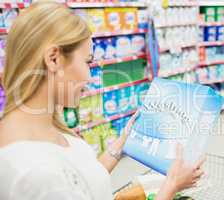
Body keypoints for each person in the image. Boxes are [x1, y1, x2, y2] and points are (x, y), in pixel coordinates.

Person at [0, 2, 205, 200]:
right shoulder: (34, 172)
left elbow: (80, 182)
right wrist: (171, 185)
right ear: (54, 59)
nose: (90, 77)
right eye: (87, 61)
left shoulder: (43, 127)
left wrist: (123, 142)